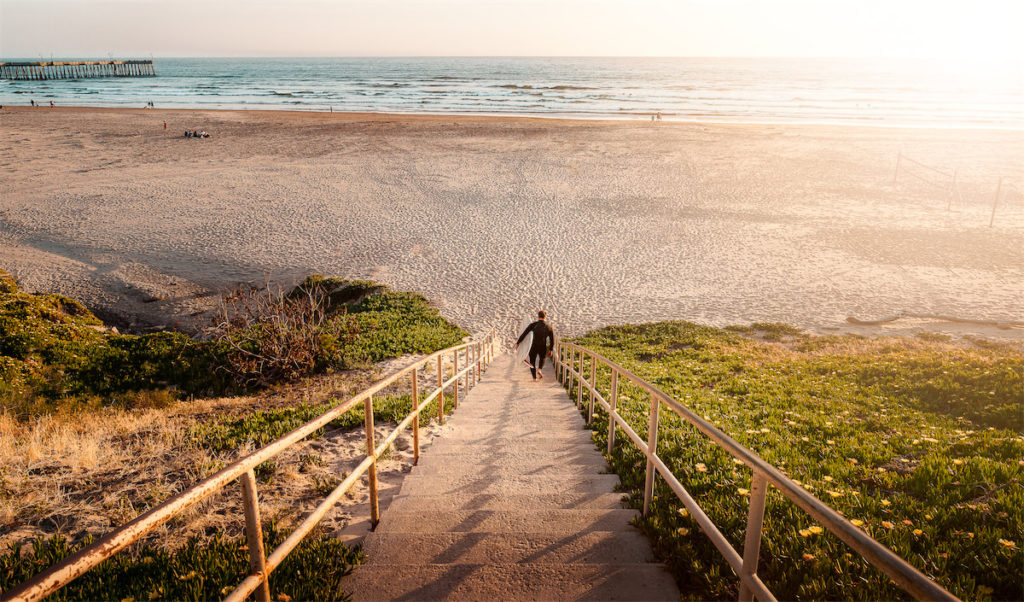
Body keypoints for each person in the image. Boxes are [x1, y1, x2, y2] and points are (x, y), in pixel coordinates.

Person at [515, 310, 554, 380]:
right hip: (543, 346)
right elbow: (552, 339)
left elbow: (524, 334)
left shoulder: (533, 325)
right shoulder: (549, 327)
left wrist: (518, 342)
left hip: (533, 346)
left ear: (538, 316)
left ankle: (534, 378)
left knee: (532, 361)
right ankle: (539, 369)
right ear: (545, 317)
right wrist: (551, 349)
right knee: (542, 358)